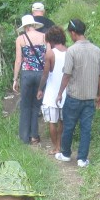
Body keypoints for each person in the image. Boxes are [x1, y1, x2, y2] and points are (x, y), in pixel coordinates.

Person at [55, 18, 100, 168]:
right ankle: (82, 159)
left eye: (70, 33)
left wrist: (60, 93)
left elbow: (67, 74)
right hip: (90, 97)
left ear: (73, 33)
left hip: (74, 97)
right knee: (86, 129)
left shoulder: (72, 50)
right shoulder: (97, 50)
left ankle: (66, 154)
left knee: (69, 126)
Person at [13, 14, 47, 145]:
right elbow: (47, 56)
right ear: (33, 25)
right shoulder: (44, 37)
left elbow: (18, 60)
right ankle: (34, 136)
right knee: (36, 105)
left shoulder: (20, 39)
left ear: (25, 27)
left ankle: (24, 137)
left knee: (25, 105)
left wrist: (15, 79)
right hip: (40, 74)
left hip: (27, 74)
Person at [36, 25, 68, 156]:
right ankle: (61, 145)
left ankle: (56, 147)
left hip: (52, 92)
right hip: (66, 93)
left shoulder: (50, 54)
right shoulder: (70, 51)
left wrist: (40, 89)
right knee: (63, 122)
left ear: (50, 39)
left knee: (52, 122)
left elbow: (45, 74)